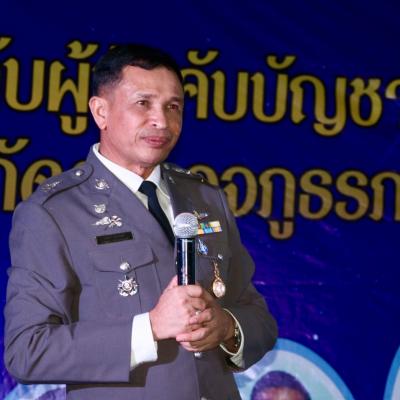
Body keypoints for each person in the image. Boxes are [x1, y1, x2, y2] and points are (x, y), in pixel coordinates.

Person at [4, 44, 278, 400]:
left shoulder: (206, 199)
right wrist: (149, 329)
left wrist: (227, 327)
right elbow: (27, 350)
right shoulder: (54, 211)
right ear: (101, 112)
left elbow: (260, 319)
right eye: (143, 103)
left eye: (173, 106)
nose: (161, 121)